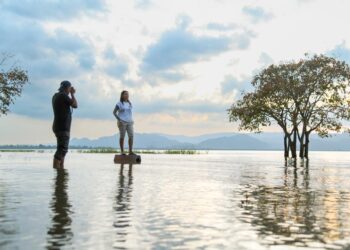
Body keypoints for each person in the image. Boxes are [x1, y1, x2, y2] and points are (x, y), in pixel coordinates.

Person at [52, 81, 78, 169]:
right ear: (67, 88)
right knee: (62, 149)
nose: (70, 90)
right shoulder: (63, 95)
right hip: (63, 127)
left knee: (62, 150)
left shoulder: (55, 96)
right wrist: (72, 94)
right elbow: (75, 105)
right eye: (69, 88)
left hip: (58, 126)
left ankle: (61, 171)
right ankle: (57, 170)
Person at [113, 90, 135, 155]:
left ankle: (130, 151)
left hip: (130, 122)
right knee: (122, 136)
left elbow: (129, 113)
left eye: (127, 94)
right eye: (125, 94)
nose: (127, 95)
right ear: (122, 95)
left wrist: (131, 120)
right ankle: (122, 151)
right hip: (122, 122)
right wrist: (119, 120)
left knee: (131, 136)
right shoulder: (119, 103)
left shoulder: (130, 103)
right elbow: (114, 112)